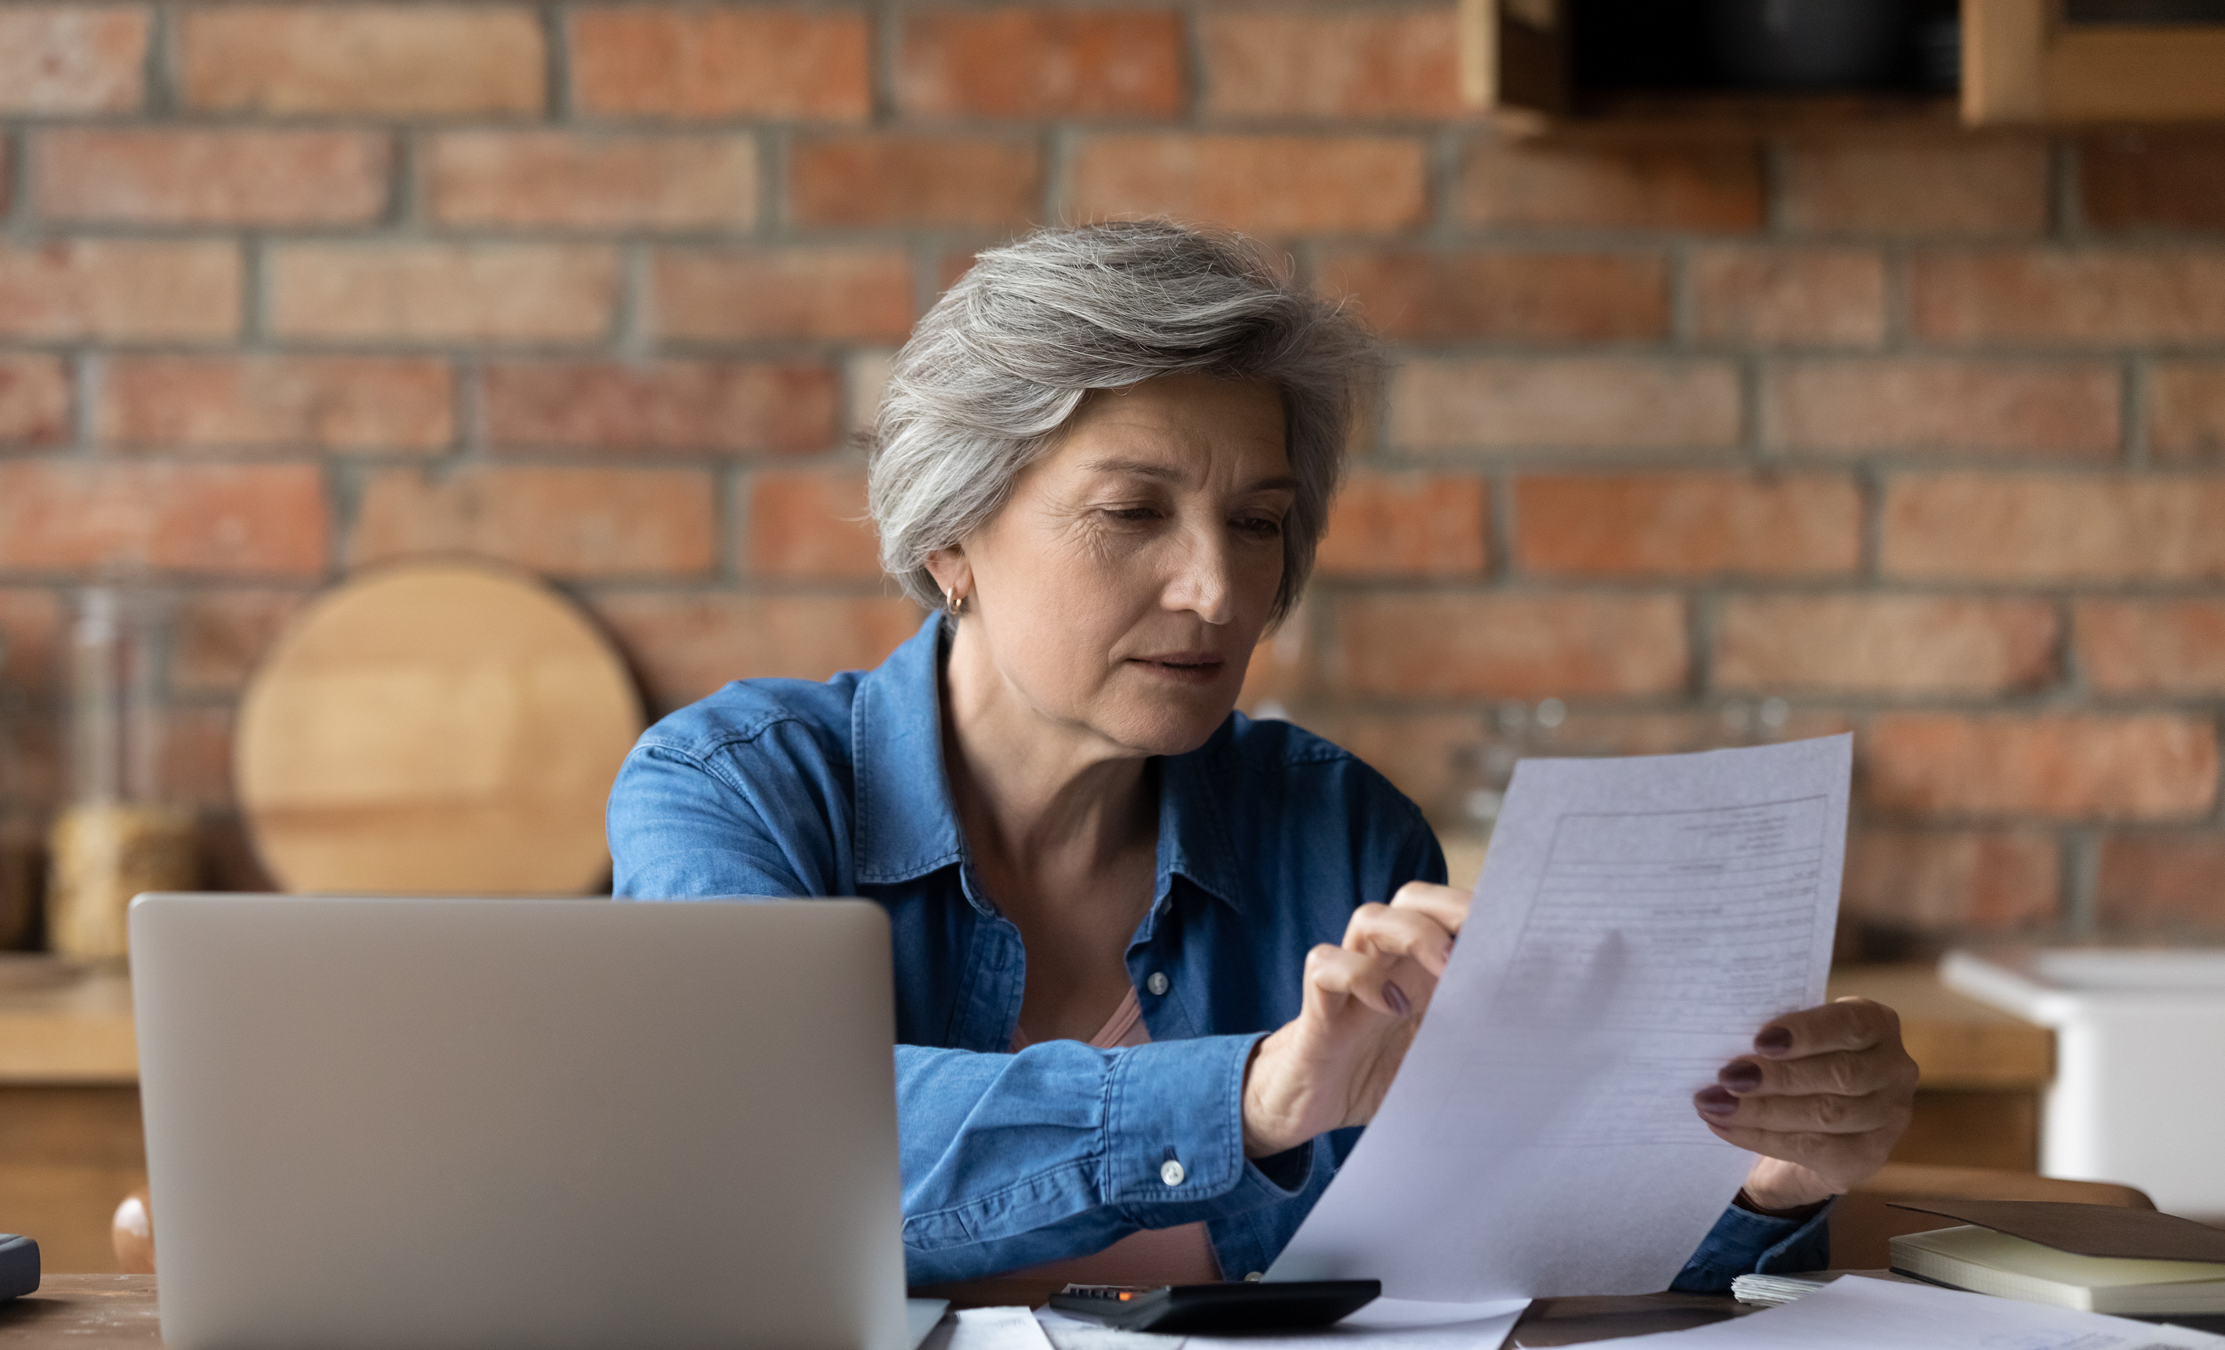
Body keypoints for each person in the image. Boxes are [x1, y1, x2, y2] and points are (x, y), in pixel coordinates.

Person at [606, 221, 1918, 1289]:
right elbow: (752, 1152)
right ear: (952, 540)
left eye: (1260, 522)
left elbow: (1496, 1262)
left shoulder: (1343, 835)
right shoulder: (729, 789)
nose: (1218, 590)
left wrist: (1759, 1179)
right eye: (1133, 512)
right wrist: (1249, 1094)